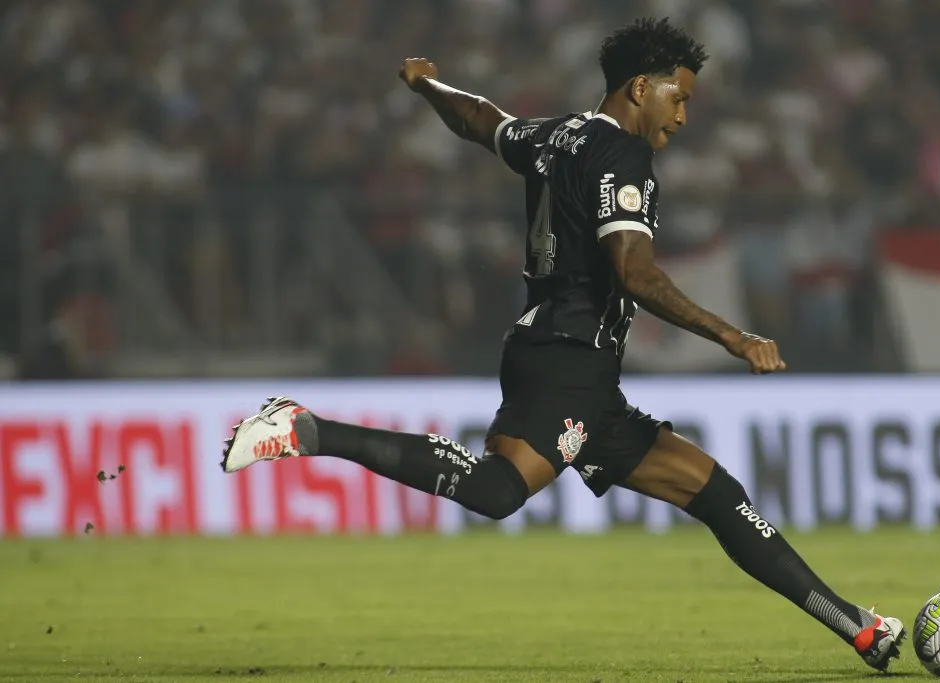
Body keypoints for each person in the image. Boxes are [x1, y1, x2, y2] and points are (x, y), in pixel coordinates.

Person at [221, 17, 905, 671]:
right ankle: (306, 429)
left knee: (715, 493)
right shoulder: (624, 156)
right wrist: (735, 335)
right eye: (680, 97)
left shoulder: (556, 137)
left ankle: (860, 628)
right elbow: (633, 271)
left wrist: (429, 86)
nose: (683, 116)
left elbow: (480, 120)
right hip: (565, 359)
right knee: (495, 490)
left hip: (579, 370)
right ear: (642, 87)